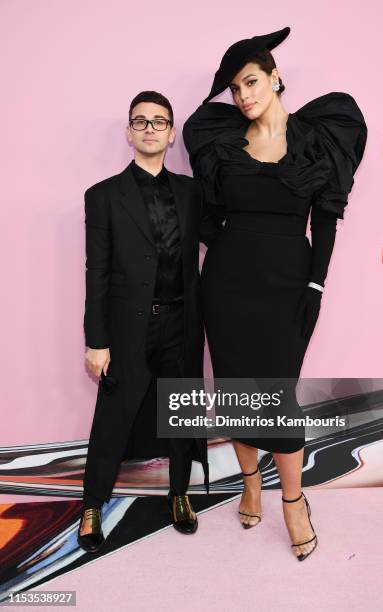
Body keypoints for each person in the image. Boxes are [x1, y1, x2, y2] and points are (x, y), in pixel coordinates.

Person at [183, 27, 367, 561]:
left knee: (277, 398)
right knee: (239, 393)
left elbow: (327, 220)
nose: (243, 96)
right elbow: (205, 216)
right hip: (227, 285)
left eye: (251, 82)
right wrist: (235, 249)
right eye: (235, 89)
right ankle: (249, 482)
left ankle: (293, 501)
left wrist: (315, 282)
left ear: (275, 77)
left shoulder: (319, 139)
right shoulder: (223, 144)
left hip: (288, 286)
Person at [78, 90, 209, 553]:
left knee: (181, 411)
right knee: (112, 417)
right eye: (141, 121)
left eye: (159, 121)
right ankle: (93, 503)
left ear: (172, 134)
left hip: (183, 324)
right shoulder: (103, 196)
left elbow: (225, 240)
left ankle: (179, 495)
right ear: (129, 132)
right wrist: (97, 340)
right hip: (129, 329)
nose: (150, 128)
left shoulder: (193, 193)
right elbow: (97, 271)